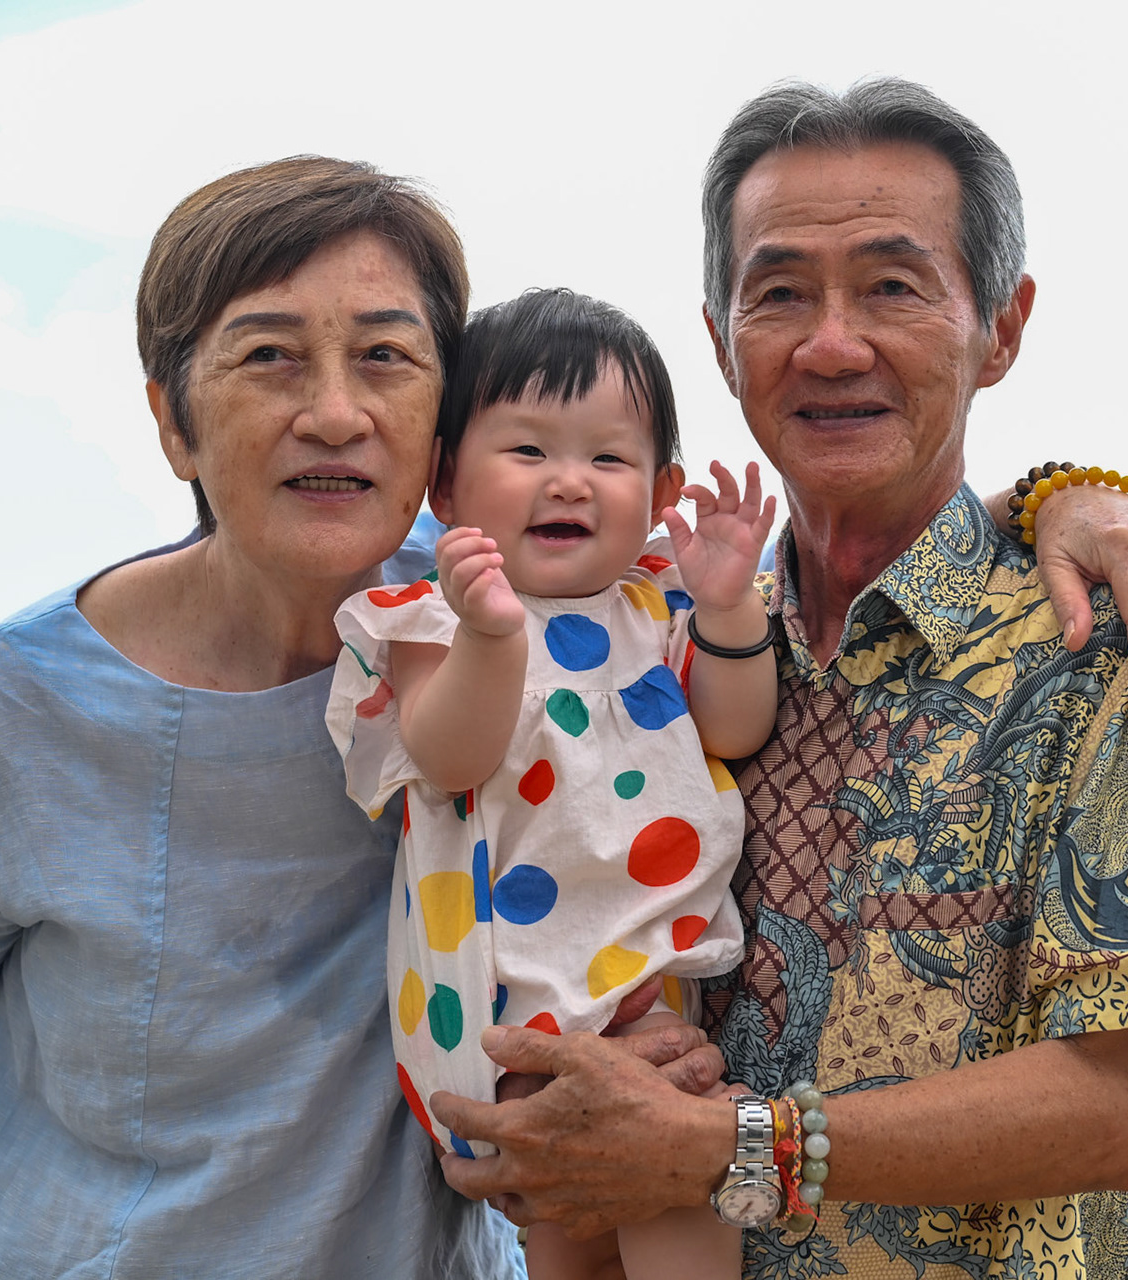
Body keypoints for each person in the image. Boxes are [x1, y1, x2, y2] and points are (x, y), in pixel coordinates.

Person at [0, 150, 1128, 1278]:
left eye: (386, 358)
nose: (336, 413)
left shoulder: (584, 615)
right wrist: (125, 1214)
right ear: (173, 417)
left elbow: (824, 559)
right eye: (269, 356)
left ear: (438, 426)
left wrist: (1070, 498)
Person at [433, 79, 1128, 1280]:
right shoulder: (677, 639)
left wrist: (724, 1146)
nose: (830, 343)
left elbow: (1126, 1108)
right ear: (720, 342)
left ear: (1002, 329)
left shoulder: (1104, 639)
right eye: (778, 293)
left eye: (892, 286)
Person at [328, 287, 780, 1278]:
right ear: (447, 481)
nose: (569, 481)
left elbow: (735, 727)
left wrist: (728, 610)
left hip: (649, 986)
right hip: (510, 1007)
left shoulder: (656, 607)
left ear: (661, 493)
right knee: (616, 1188)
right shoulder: (431, 620)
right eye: (528, 450)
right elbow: (451, 755)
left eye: (608, 458)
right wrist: (492, 635)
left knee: (633, 1197)